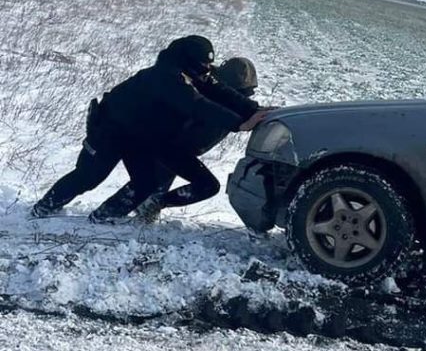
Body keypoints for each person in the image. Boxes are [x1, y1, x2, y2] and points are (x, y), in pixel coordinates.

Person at [31, 36, 267, 220]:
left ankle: (105, 217)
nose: (207, 71)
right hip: (110, 131)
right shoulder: (166, 76)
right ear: (187, 61)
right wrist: (240, 124)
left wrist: (254, 109)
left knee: (146, 181)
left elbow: (220, 91)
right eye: (203, 66)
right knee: (88, 177)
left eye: (209, 66)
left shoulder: (192, 73)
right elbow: (197, 105)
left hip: (139, 135)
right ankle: (44, 208)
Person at [108, 56, 261, 223]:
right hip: (167, 145)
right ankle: (112, 214)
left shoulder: (227, 100)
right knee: (149, 184)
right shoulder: (206, 97)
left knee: (151, 185)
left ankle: (139, 211)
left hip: (179, 149)